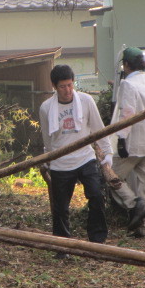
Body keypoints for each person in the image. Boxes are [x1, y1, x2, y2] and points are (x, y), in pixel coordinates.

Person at [39, 64, 113, 253]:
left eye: (70, 85)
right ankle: (63, 245)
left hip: (85, 157)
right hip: (60, 162)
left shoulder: (86, 101)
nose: (67, 90)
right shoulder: (46, 108)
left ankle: (97, 240)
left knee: (96, 195)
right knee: (61, 207)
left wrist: (108, 152)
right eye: (63, 86)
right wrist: (48, 159)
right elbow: (47, 138)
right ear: (55, 86)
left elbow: (98, 128)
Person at [110, 47, 145, 238]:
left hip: (133, 142)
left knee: (111, 176)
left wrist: (121, 140)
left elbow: (127, 114)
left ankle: (134, 204)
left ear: (126, 65)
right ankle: (144, 228)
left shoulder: (128, 85)